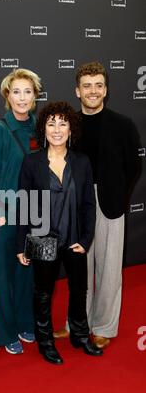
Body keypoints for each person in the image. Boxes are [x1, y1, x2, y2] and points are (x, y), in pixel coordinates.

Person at [54, 62, 141, 348]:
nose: (93, 91)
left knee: (109, 267)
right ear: (78, 91)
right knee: (79, 267)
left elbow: (134, 167)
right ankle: (77, 321)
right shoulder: (69, 125)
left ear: (106, 90)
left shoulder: (123, 125)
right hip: (76, 204)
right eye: (87, 86)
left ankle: (104, 325)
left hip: (111, 204)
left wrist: (119, 195)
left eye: (98, 85)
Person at [17, 101, 103, 364]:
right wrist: (22, 245)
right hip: (43, 237)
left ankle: (79, 336)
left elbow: (89, 204)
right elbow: (23, 204)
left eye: (63, 124)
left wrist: (86, 240)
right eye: (51, 123)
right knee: (43, 293)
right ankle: (45, 342)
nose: (57, 129)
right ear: (43, 128)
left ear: (70, 129)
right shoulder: (32, 162)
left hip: (75, 237)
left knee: (79, 290)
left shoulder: (82, 162)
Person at [0, 68, 42, 354]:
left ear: (35, 96)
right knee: (5, 274)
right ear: (7, 95)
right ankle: (7, 333)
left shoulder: (40, 127)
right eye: (16, 91)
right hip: (8, 212)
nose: (22, 97)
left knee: (28, 271)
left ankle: (25, 322)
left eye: (27, 91)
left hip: (37, 212)